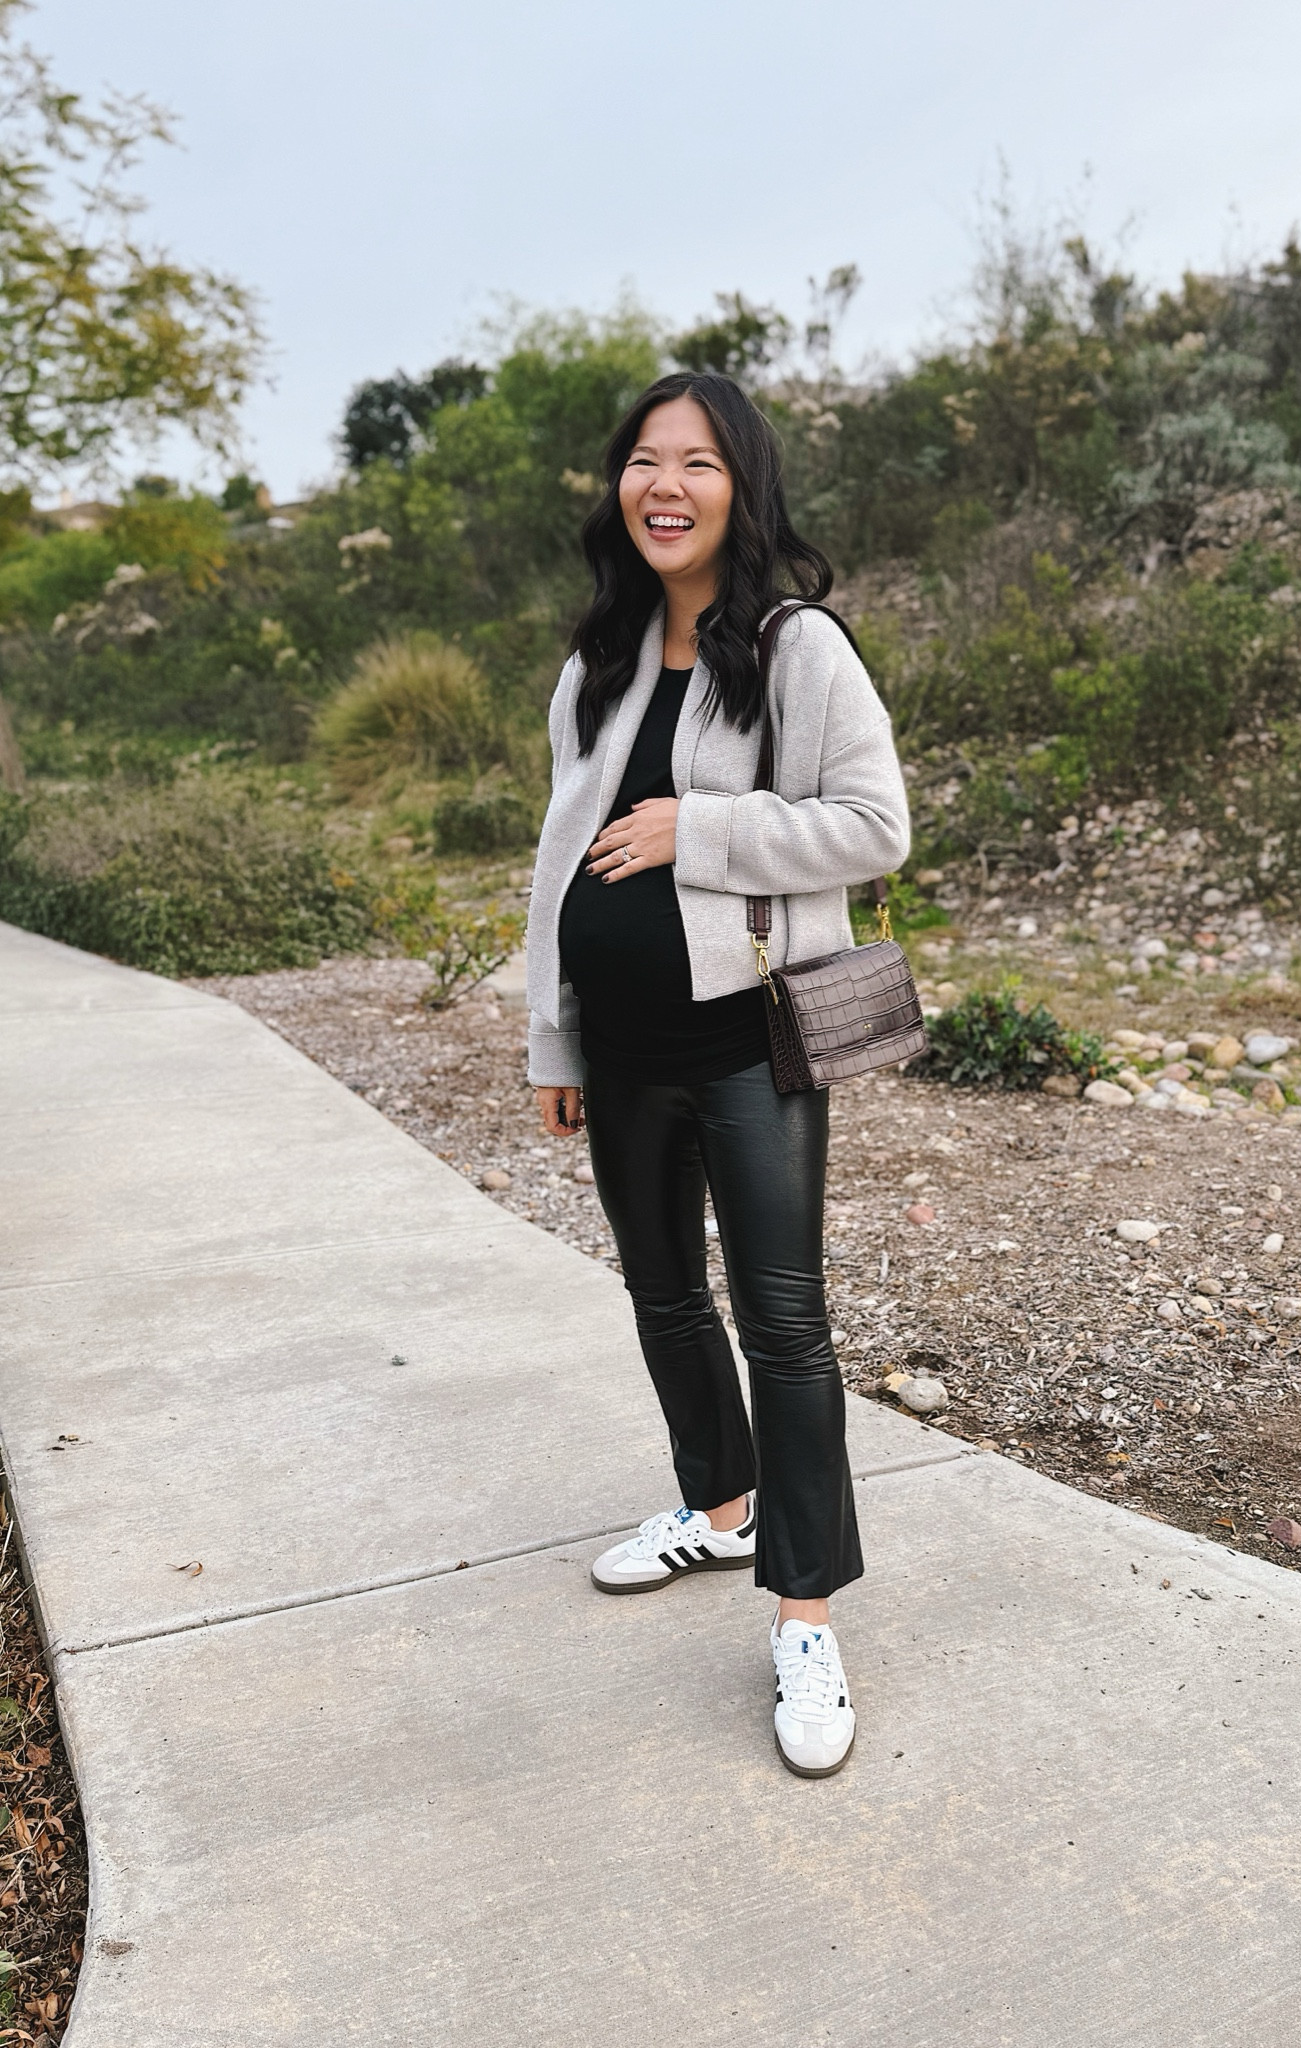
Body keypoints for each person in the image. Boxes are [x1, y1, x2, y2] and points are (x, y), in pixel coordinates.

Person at [523, 370, 909, 1777]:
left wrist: (700, 827)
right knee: (663, 1297)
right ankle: (721, 1507)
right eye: (643, 460)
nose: (664, 485)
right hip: (620, 1051)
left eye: (695, 462)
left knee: (783, 1325)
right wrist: (553, 1034)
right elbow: (556, 855)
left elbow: (873, 826)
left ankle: (804, 1614)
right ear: (618, 488)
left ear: (741, 486)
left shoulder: (796, 647)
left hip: (751, 1043)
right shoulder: (599, 661)